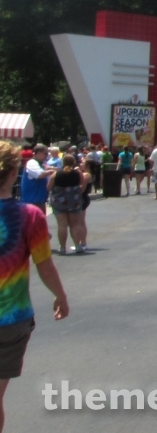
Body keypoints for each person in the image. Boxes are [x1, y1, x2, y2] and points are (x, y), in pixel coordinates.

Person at [0, 140, 70, 431]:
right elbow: (45, 265)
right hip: (11, 320)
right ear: (15, 172)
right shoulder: (30, 216)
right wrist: (60, 296)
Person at [47, 155, 88, 254]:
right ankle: (78, 246)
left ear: (62, 162)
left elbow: (49, 187)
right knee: (75, 225)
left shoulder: (56, 174)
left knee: (62, 225)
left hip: (59, 203)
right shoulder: (78, 174)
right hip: (73, 202)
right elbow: (82, 186)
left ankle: (62, 247)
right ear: (74, 163)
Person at [20, 145, 54, 214]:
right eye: (45, 153)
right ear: (38, 153)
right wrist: (52, 172)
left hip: (39, 200)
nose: (47, 155)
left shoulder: (41, 164)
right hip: (32, 201)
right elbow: (40, 175)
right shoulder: (32, 163)